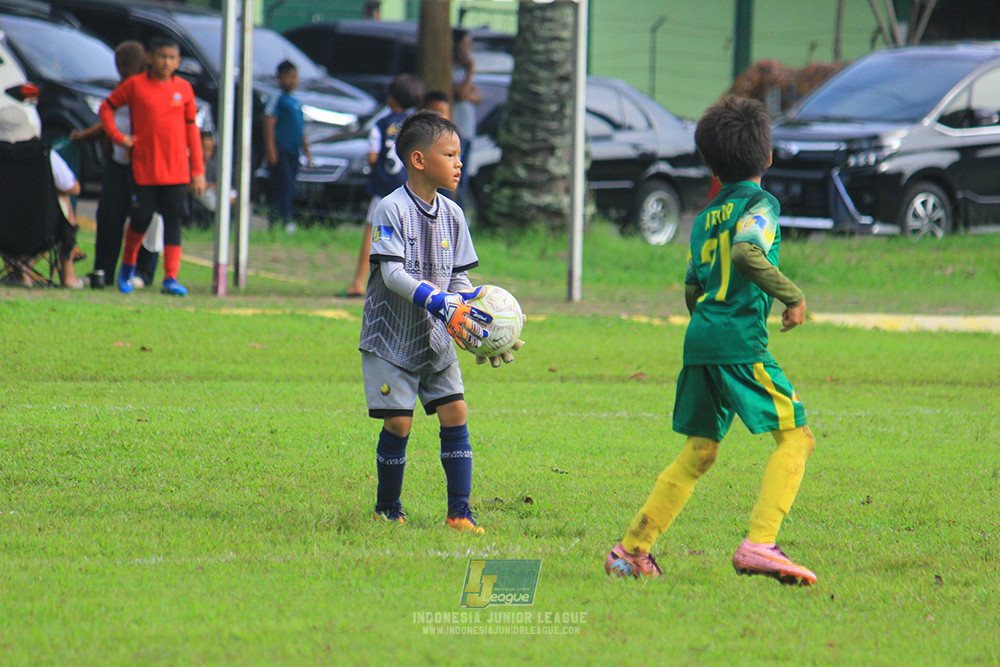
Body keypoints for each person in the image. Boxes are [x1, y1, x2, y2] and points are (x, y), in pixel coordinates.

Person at [604, 96, 818, 586]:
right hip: (738, 343)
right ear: (766, 157)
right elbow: (746, 251)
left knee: (700, 450)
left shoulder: (704, 218)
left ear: (711, 164)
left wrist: (710, 325)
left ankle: (632, 550)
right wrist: (791, 294)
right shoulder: (759, 205)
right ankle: (760, 544)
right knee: (796, 439)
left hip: (700, 340)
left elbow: (691, 287)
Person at [358, 110, 522, 532]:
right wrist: (443, 303)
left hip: (436, 336)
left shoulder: (453, 213)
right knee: (399, 421)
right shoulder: (389, 209)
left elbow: (459, 278)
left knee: (456, 412)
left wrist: (485, 323)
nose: (458, 163)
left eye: (459, 155)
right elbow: (392, 274)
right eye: (449, 154)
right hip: (389, 336)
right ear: (418, 160)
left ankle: (459, 512)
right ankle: (388, 509)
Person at [99, 35, 205, 296]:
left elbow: (192, 130)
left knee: (173, 221)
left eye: (171, 58)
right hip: (145, 168)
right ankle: (127, 268)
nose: (166, 62)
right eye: (161, 57)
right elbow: (106, 108)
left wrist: (198, 170)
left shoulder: (184, 89)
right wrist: (118, 137)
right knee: (141, 218)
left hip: (177, 169)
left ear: (178, 61)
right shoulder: (135, 86)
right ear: (149, 58)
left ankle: (170, 277)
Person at [339, 73, 423, 298]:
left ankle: (358, 281)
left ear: (391, 99)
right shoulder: (414, 126)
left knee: (373, 232)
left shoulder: (381, 124)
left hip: (383, 191)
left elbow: (373, 158)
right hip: (408, 190)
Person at [71, 40, 147, 289]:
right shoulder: (121, 87)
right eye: (119, 65)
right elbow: (108, 118)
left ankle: (142, 273)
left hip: (140, 163)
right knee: (108, 217)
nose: (121, 69)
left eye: (125, 64)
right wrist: (88, 136)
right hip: (116, 160)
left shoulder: (144, 87)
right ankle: (103, 270)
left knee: (142, 219)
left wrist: (88, 135)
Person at [0, 105, 83, 288]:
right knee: (64, 198)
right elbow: (73, 187)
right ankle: (68, 275)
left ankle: (20, 270)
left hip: (3, 230)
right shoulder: (43, 153)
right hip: (41, 229)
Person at [264, 60, 312, 233]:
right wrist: (271, 150)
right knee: (282, 185)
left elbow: (300, 128)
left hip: (293, 152)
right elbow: (269, 122)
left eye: (295, 77)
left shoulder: (295, 101)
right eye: (289, 77)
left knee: (290, 186)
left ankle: (280, 219)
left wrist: (306, 151)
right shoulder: (277, 99)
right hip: (281, 150)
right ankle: (283, 221)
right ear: (279, 78)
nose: (292, 80)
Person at [451, 29, 481, 205]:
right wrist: (470, 71)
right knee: (455, 179)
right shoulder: (452, 69)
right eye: (466, 43)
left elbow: (477, 96)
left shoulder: (461, 71)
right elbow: (463, 93)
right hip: (458, 131)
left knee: (463, 177)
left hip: (468, 132)